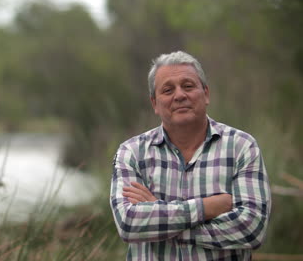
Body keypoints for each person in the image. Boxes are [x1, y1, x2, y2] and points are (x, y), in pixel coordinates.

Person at [110, 51, 271, 260]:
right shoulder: (131, 153)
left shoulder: (241, 147)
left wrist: (159, 217)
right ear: (154, 104)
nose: (179, 95)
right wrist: (208, 207)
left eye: (188, 86)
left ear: (206, 94)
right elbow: (129, 224)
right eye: (168, 90)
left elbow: (252, 229)